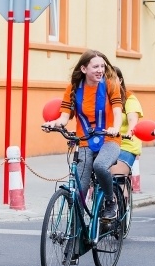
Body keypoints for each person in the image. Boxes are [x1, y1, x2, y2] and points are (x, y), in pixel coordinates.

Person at [45, 50, 123, 220]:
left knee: (100, 166)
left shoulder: (110, 85)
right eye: (95, 66)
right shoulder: (73, 88)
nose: (100, 70)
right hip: (85, 142)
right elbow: (64, 117)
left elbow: (118, 112)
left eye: (102, 66)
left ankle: (110, 201)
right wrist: (53, 124)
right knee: (80, 186)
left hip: (110, 139)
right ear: (84, 69)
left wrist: (115, 128)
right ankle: (75, 237)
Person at [111, 66, 143, 176]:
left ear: (120, 80)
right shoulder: (102, 98)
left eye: (113, 78)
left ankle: (121, 193)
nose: (109, 82)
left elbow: (132, 119)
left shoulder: (129, 98)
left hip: (126, 144)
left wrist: (130, 131)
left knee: (116, 175)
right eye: (106, 79)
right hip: (107, 144)